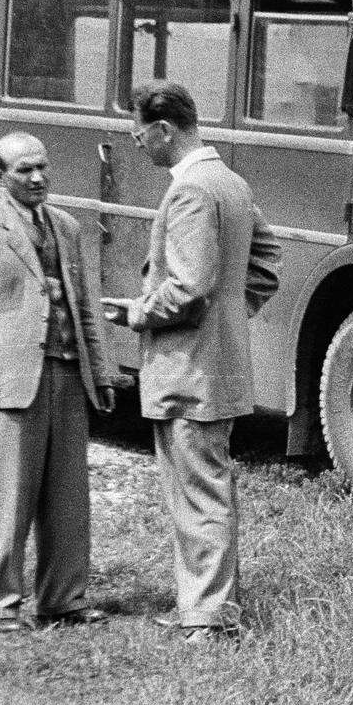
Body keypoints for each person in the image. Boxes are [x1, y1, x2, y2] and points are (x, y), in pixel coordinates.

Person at [102, 81, 281, 641]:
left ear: (163, 129)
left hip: (189, 370)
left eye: (138, 135)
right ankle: (200, 605)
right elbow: (267, 263)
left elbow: (189, 289)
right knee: (200, 490)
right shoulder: (229, 182)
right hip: (215, 365)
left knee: (199, 494)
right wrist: (231, 315)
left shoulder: (190, 191)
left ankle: (206, 616)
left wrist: (135, 312)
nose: (136, 145)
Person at [0, 132, 116, 633]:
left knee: (69, 498)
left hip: (66, 373)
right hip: (12, 381)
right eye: (24, 171)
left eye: (42, 167)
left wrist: (100, 372)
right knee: (9, 497)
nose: (38, 178)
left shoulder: (65, 225)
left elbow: (84, 307)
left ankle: (63, 598)